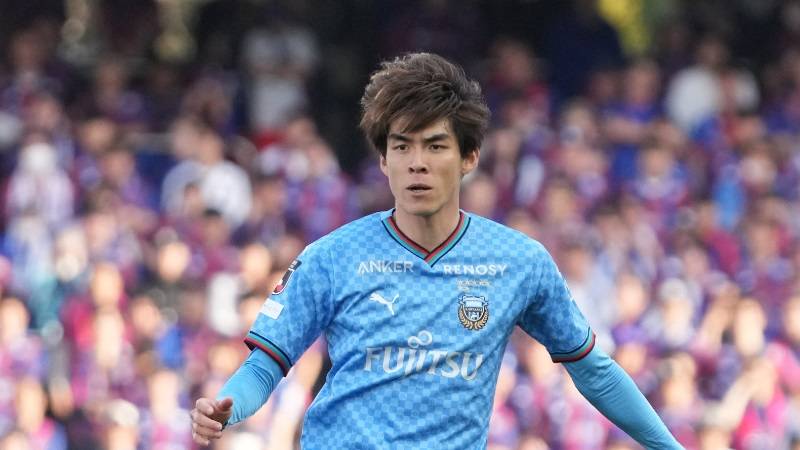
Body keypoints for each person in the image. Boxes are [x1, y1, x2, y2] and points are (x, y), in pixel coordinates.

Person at [190, 53, 682, 449]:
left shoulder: (519, 262)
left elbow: (593, 371)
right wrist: (227, 406)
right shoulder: (330, 258)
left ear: (469, 157)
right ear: (384, 161)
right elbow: (265, 365)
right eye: (402, 147)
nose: (417, 163)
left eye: (435, 146)